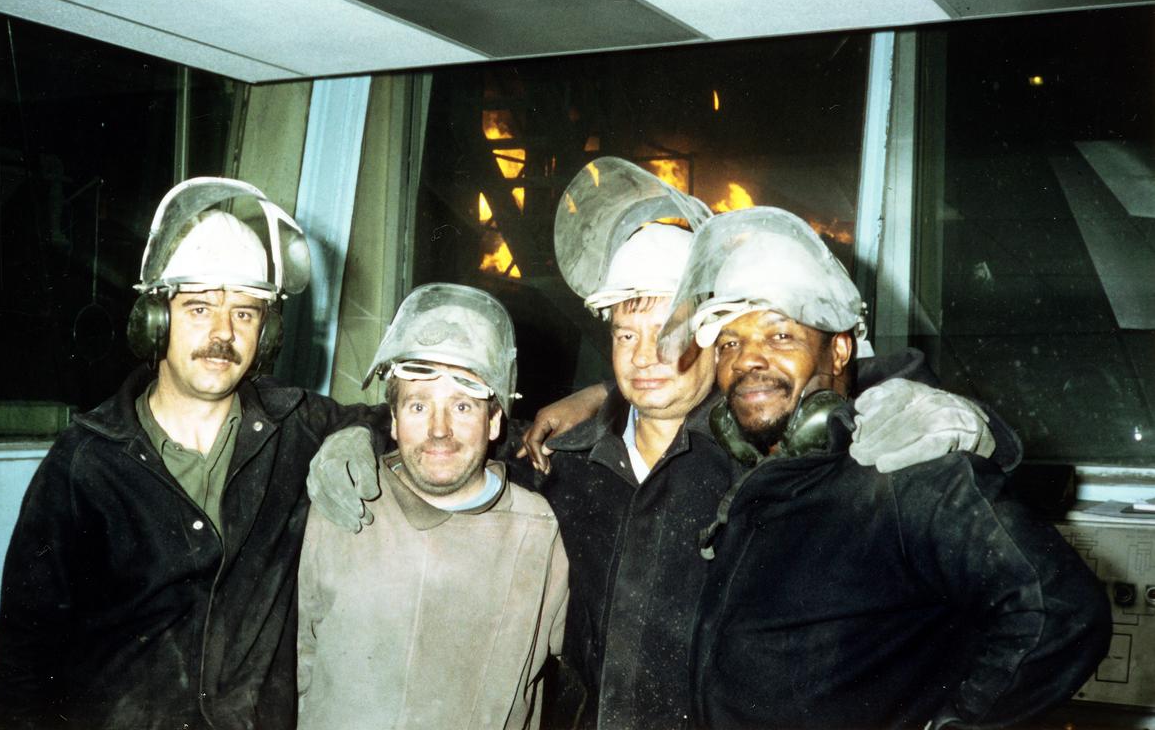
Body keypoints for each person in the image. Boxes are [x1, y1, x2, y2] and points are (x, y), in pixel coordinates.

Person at [311, 158, 1004, 730]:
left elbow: (836, 393)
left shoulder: (767, 459)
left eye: (666, 333)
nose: (644, 357)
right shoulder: (563, 463)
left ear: (710, 336)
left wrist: (946, 409)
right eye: (624, 334)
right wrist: (362, 431)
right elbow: (452, 422)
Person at [667, 206, 1112, 729]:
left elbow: (1062, 611)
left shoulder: (907, 465)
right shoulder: (755, 478)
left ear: (839, 351)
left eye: (780, 336)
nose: (746, 360)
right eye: (729, 343)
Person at [0, 177, 389, 729]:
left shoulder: (296, 426)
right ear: (156, 322)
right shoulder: (84, 463)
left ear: (266, 334)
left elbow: (420, 426)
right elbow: (24, 660)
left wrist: (358, 433)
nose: (223, 333)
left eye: (245, 313)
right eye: (199, 308)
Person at [296, 283, 568, 730]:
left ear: (494, 420)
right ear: (394, 420)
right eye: (419, 405)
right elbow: (299, 662)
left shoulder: (538, 531)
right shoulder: (344, 501)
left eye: (462, 406)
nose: (440, 430)